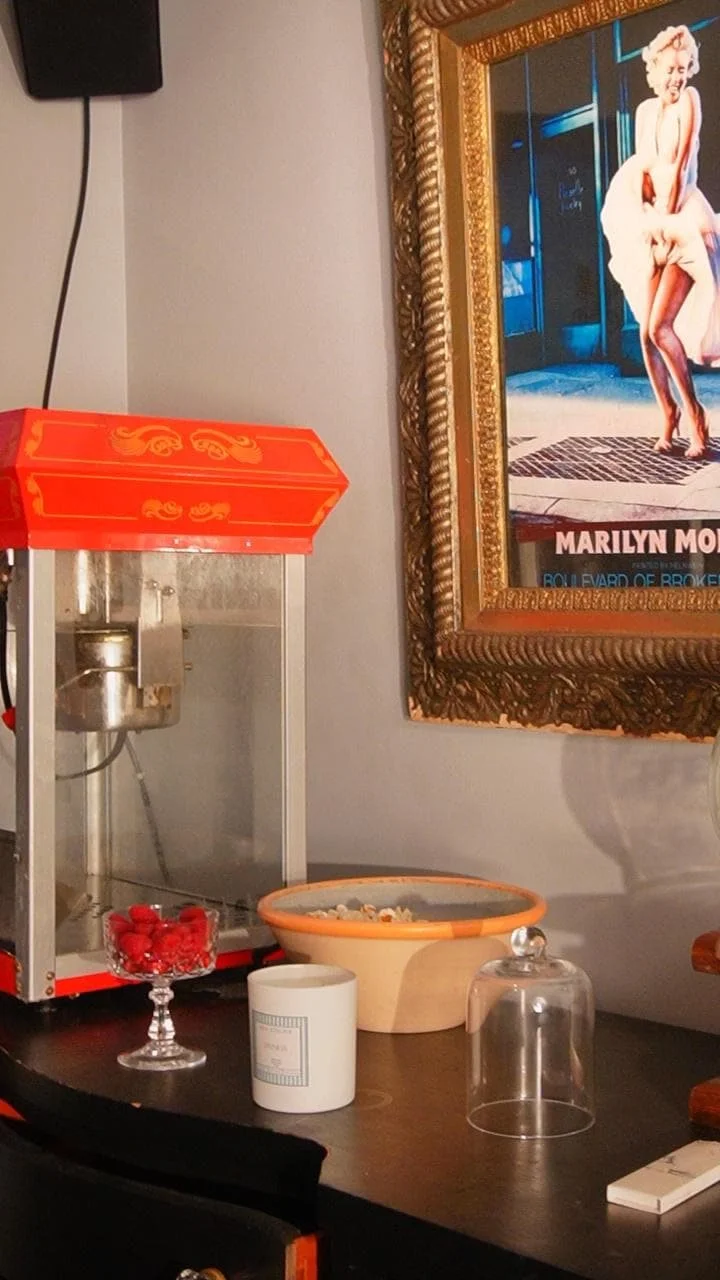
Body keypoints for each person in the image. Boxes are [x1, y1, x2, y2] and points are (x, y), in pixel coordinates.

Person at [601, 24, 720, 457]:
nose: (677, 77)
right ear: (653, 69)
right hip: (654, 220)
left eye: (684, 68)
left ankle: (696, 416)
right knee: (645, 334)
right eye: (670, 69)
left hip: (685, 224)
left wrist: (665, 223)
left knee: (659, 326)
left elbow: (683, 165)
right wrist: (644, 219)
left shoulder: (691, 100)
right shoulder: (645, 111)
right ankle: (668, 413)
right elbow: (644, 169)